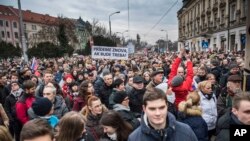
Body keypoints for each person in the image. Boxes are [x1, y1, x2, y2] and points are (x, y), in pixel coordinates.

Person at [128, 88, 198, 141]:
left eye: (161, 108)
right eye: (152, 109)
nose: (158, 113)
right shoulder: (134, 138)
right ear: (144, 108)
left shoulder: (186, 131)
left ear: (167, 106)